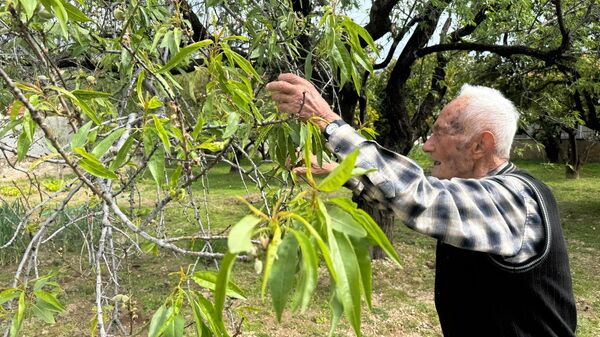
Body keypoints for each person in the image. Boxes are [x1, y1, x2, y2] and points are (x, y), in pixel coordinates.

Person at [266, 73, 577, 337]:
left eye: (438, 133)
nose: (427, 145)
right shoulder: (476, 195)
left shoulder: (514, 198)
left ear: (481, 145)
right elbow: (409, 203)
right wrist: (343, 173)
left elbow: (423, 198)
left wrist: (327, 121)